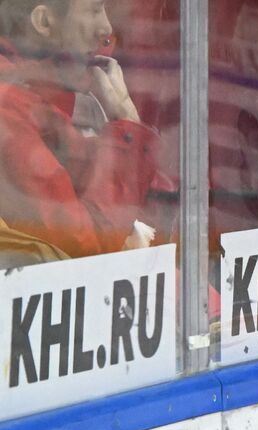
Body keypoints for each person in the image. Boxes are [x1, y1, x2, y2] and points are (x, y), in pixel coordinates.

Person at [0, 0, 161, 262]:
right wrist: (126, 123)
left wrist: (128, 135)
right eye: (95, 10)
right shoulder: (9, 107)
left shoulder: (29, 99)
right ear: (43, 22)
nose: (107, 28)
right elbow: (84, 243)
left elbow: (80, 168)